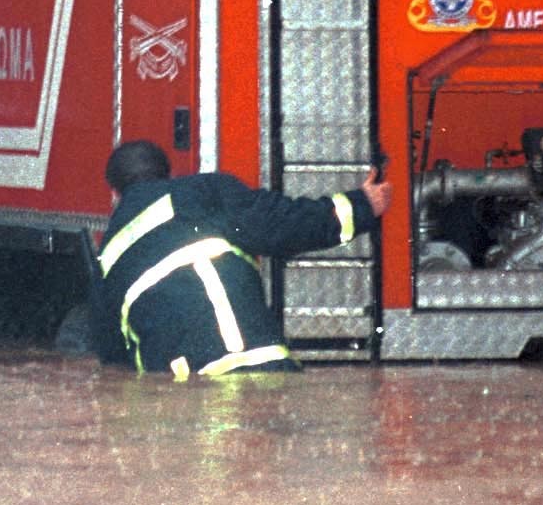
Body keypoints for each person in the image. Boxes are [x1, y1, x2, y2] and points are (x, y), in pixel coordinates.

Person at [90, 139, 392, 377]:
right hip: (264, 367)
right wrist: (360, 206)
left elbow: (113, 357)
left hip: (183, 394)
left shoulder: (106, 258)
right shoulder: (202, 192)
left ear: (114, 192)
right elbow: (282, 223)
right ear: (169, 173)